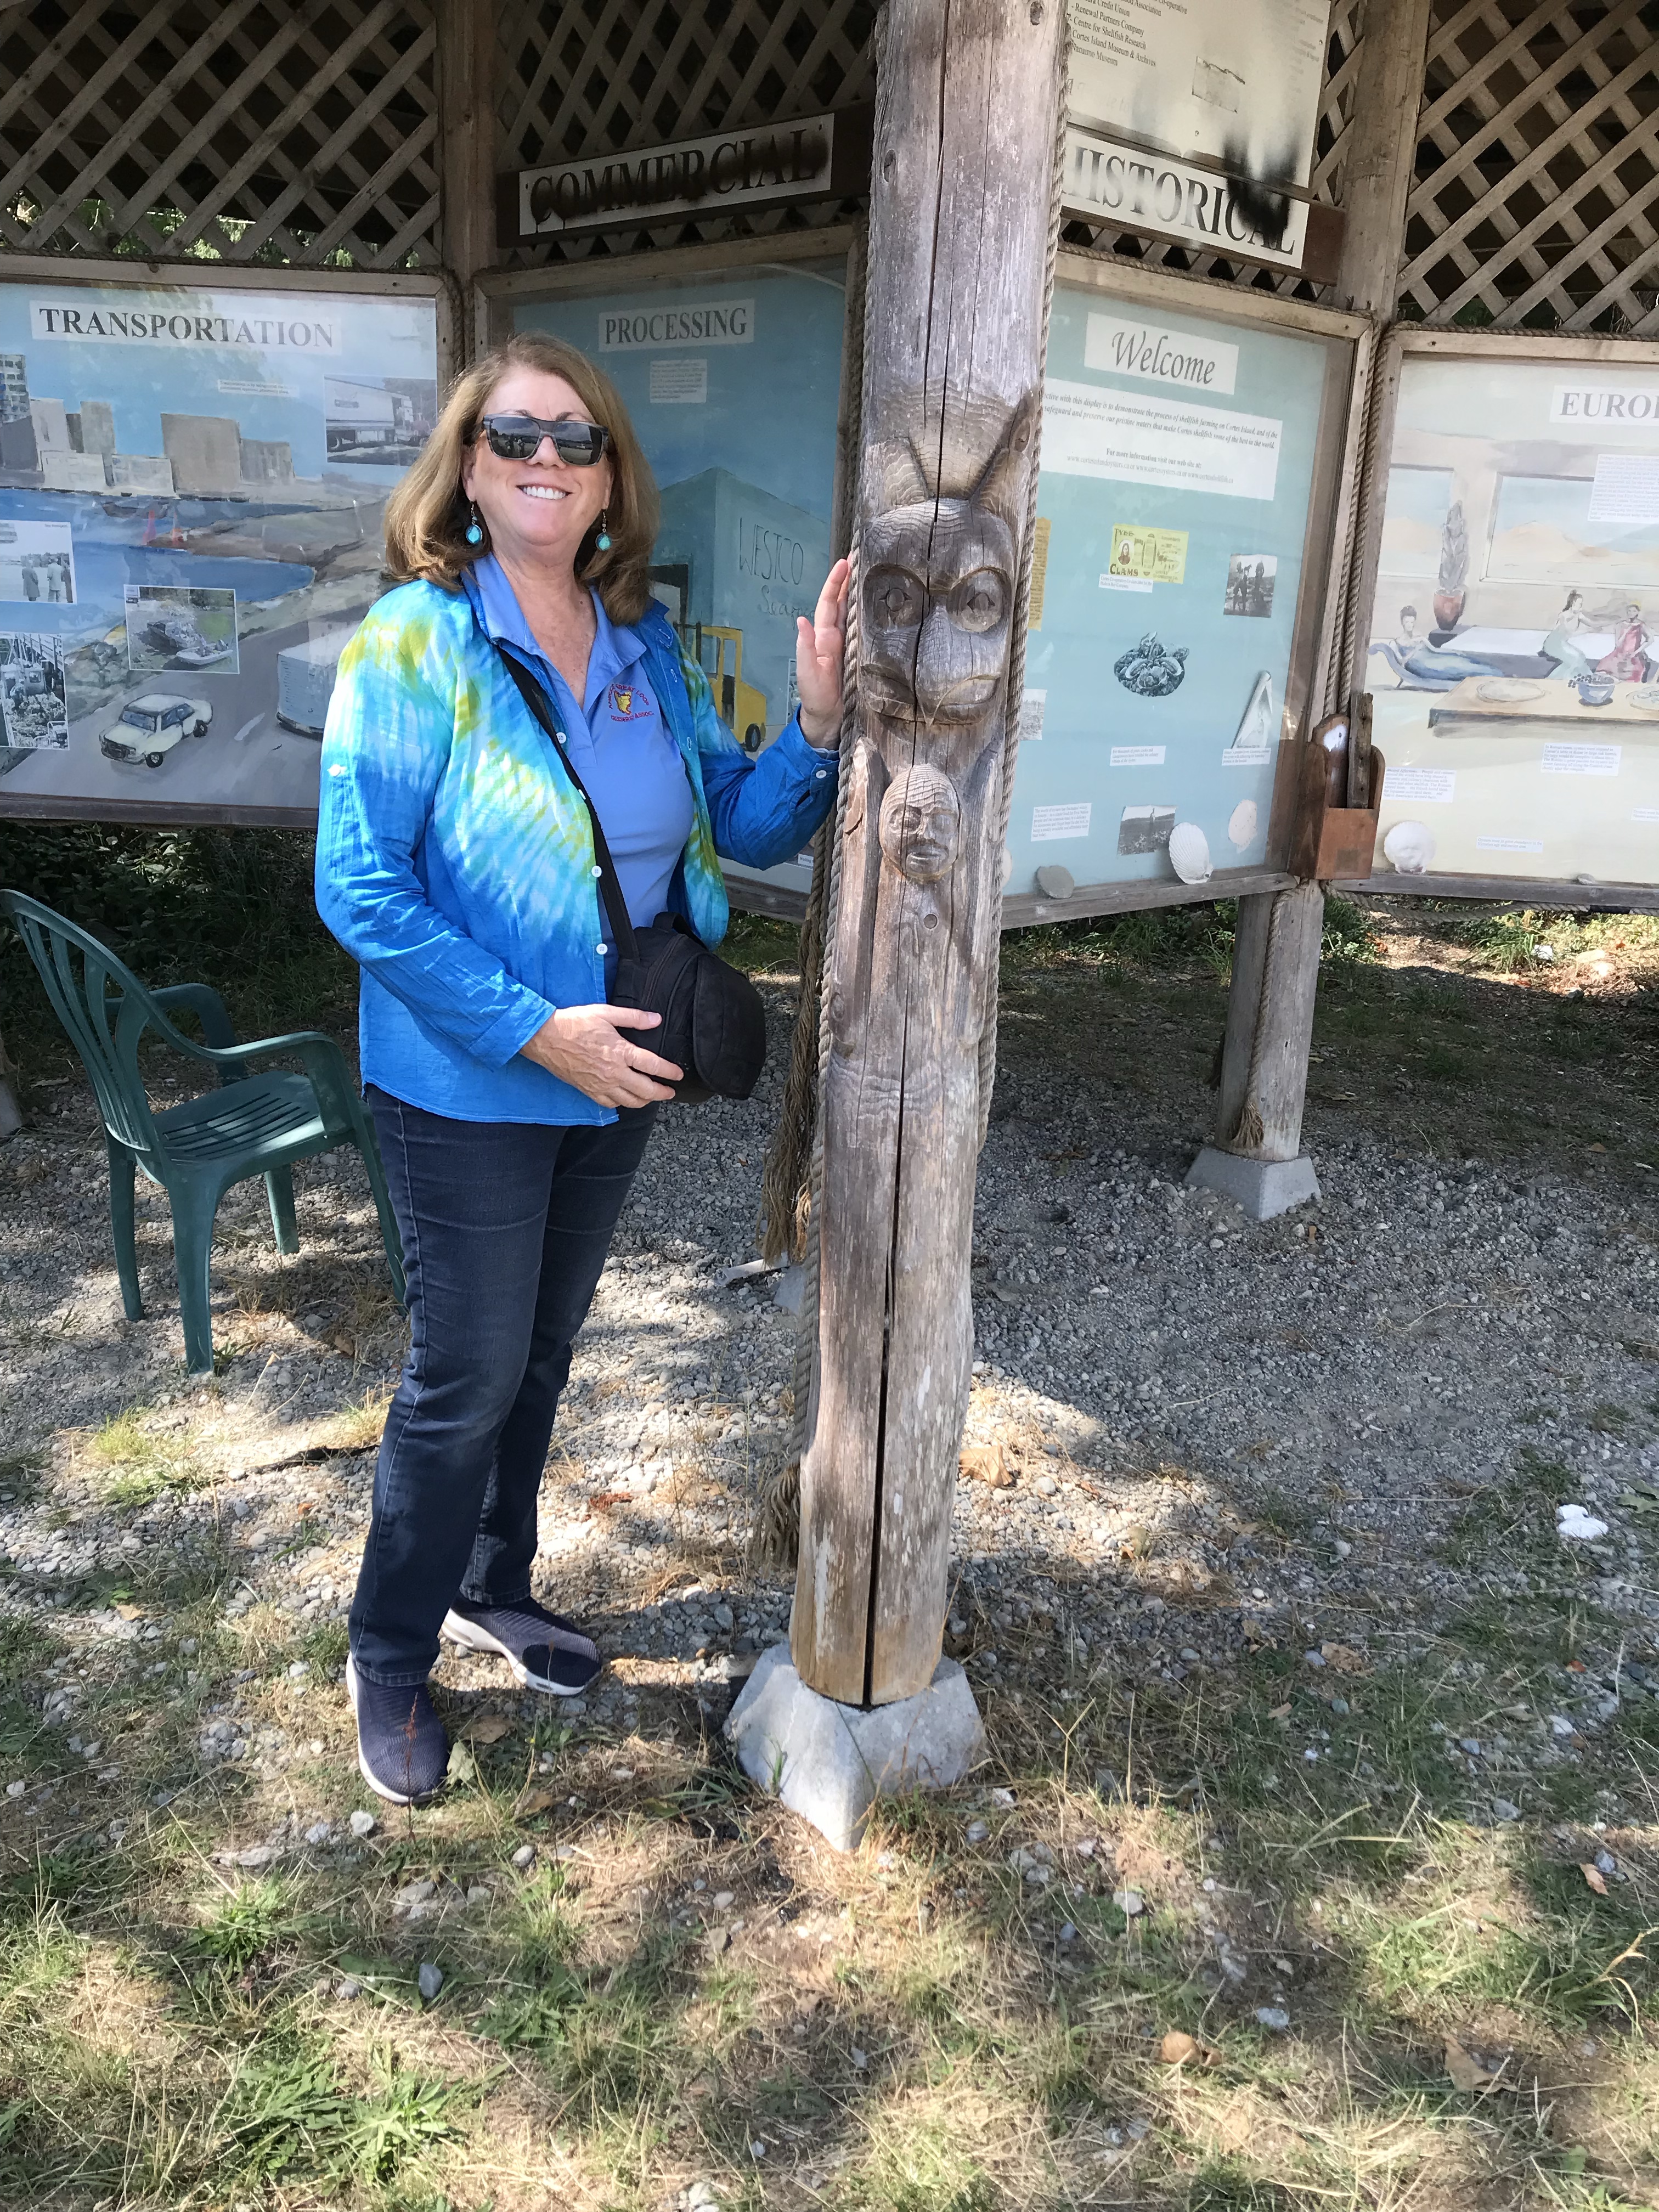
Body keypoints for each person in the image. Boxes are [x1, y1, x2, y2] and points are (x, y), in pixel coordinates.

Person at [315, 333, 848, 1803]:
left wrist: (814, 719)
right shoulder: (416, 640)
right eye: (513, 437)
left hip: (619, 1077)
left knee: (542, 1353)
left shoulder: (641, 645)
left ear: (611, 479)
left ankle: (493, 1584)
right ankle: (388, 1652)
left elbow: (744, 822)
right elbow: (360, 890)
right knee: (464, 1372)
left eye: (573, 439)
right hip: (469, 1082)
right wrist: (536, 1030)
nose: (543, 460)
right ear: (467, 471)